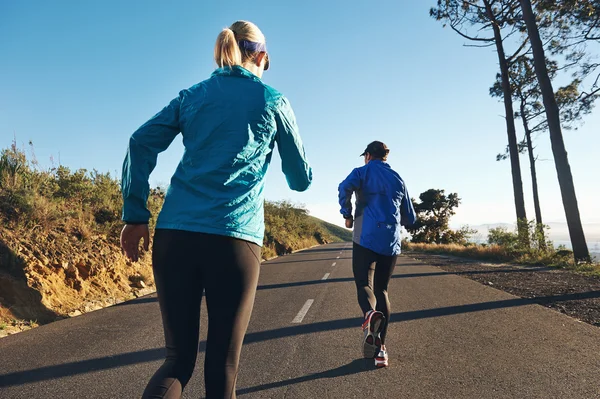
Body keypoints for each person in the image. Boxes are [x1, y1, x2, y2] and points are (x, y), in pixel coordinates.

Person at [119, 20, 312, 399]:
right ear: (262, 56)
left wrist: (136, 215)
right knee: (222, 363)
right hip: (234, 238)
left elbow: (140, 142)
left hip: (175, 235)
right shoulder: (273, 100)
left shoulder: (193, 95)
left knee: (177, 361)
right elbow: (300, 179)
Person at [337, 141, 416, 368]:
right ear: (385, 157)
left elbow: (344, 187)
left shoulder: (361, 172)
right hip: (390, 241)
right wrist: (405, 223)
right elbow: (409, 215)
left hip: (365, 237)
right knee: (382, 289)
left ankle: (370, 314)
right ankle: (381, 349)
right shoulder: (398, 178)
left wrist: (347, 213)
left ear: (368, 156)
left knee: (364, 283)